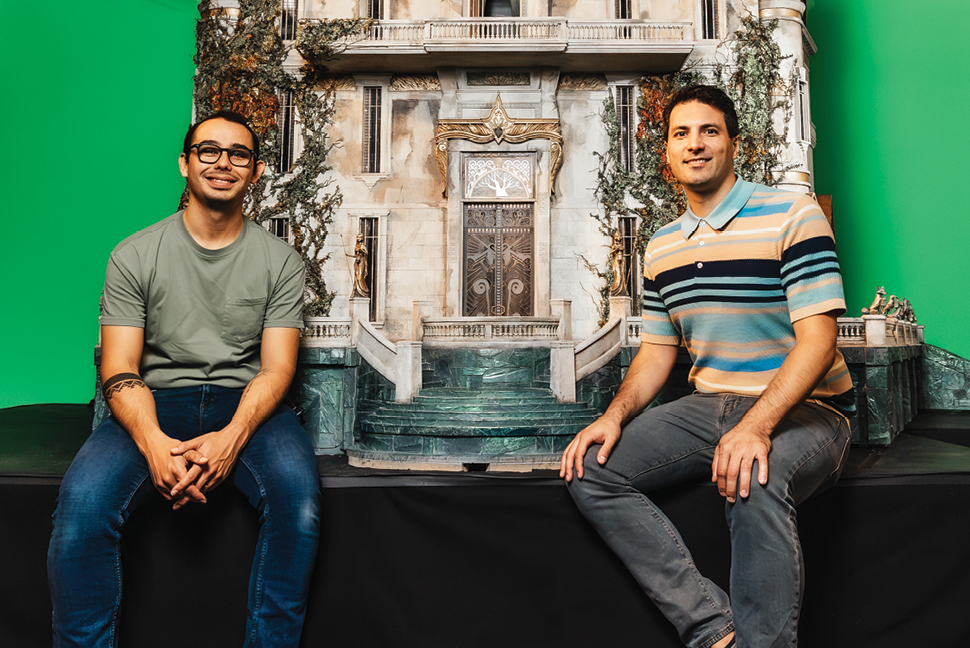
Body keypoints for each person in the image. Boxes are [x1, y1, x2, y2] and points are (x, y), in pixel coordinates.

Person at [560, 85, 854, 648]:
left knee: (753, 477)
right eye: (681, 134)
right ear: (668, 153)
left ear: (733, 144)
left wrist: (756, 427)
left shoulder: (793, 215)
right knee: (590, 468)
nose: (694, 144)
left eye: (709, 131)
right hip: (707, 406)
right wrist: (613, 417)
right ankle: (713, 629)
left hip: (809, 410)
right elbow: (656, 353)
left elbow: (818, 343)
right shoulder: (660, 246)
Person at [48, 110, 321, 647]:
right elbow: (120, 368)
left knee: (301, 507)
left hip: (248, 406)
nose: (223, 163)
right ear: (185, 163)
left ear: (256, 171)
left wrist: (231, 439)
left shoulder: (282, 262)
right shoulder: (134, 254)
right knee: (80, 510)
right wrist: (154, 444)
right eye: (208, 150)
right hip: (153, 402)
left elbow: (278, 368)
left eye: (239, 154)